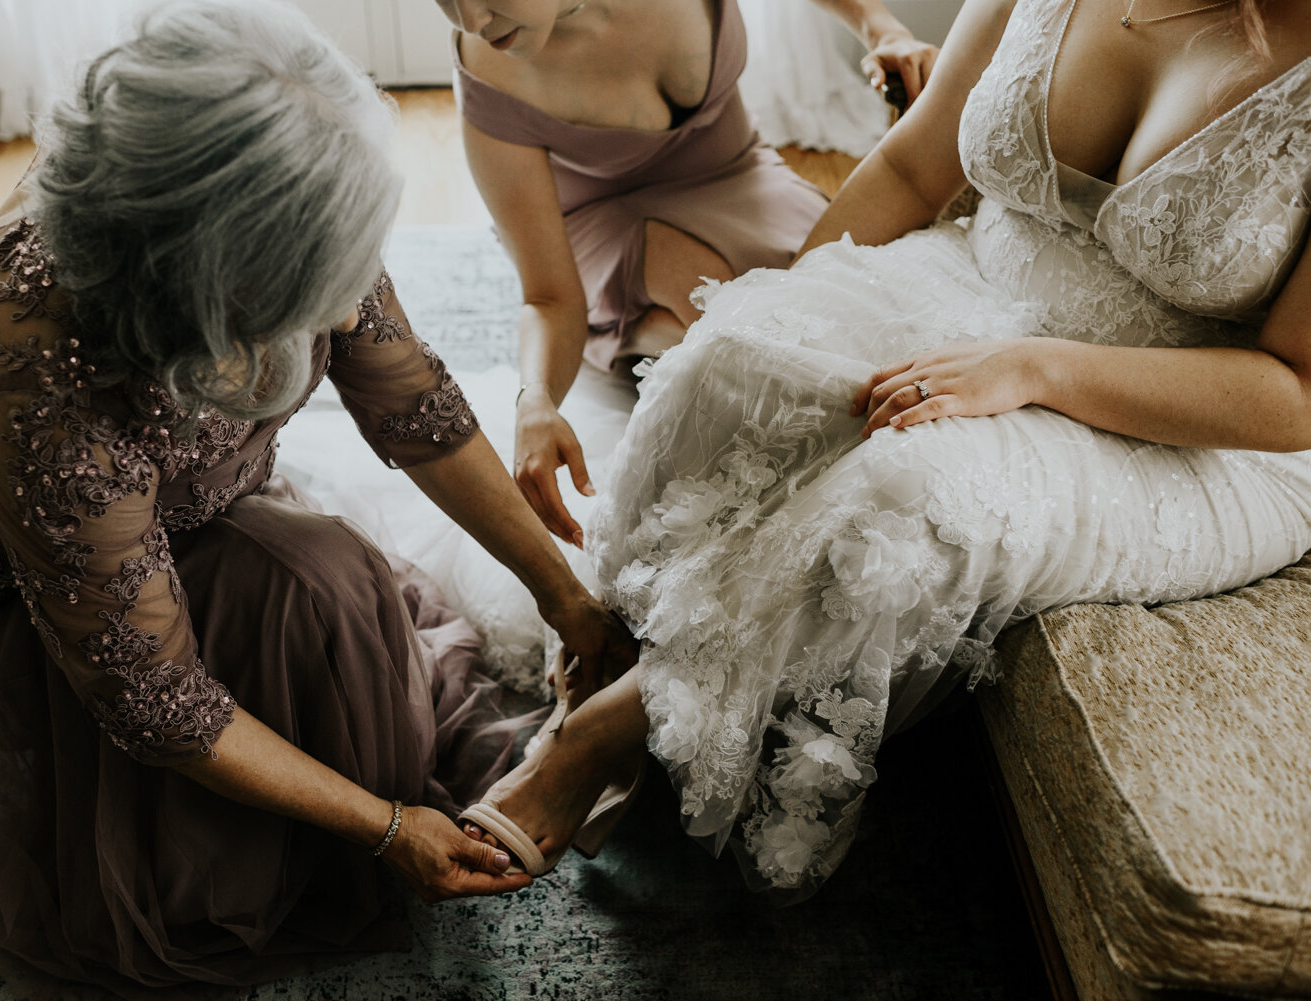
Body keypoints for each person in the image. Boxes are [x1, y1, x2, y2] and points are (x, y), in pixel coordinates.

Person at [0, 0, 635, 991]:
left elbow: (411, 406)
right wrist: (385, 830)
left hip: (168, 503)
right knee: (316, 581)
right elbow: (157, 702)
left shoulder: (288, 199)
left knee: (332, 584)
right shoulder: (34, 375)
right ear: (209, 285)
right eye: (319, 289)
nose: (345, 306)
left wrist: (567, 597)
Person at [457, 0, 1311, 894]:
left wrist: (1036, 370)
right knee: (734, 360)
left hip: (1200, 427)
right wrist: (778, 308)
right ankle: (630, 628)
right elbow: (911, 167)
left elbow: (1295, 390)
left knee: (907, 495)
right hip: (978, 285)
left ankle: (599, 734)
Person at [436, 0, 940, 546]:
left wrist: (882, 28)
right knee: (742, 343)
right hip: (603, 220)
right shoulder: (492, 65)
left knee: (846, 300)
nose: (472, 22)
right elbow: (548, 297)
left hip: (739, 176)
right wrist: (534, 398)